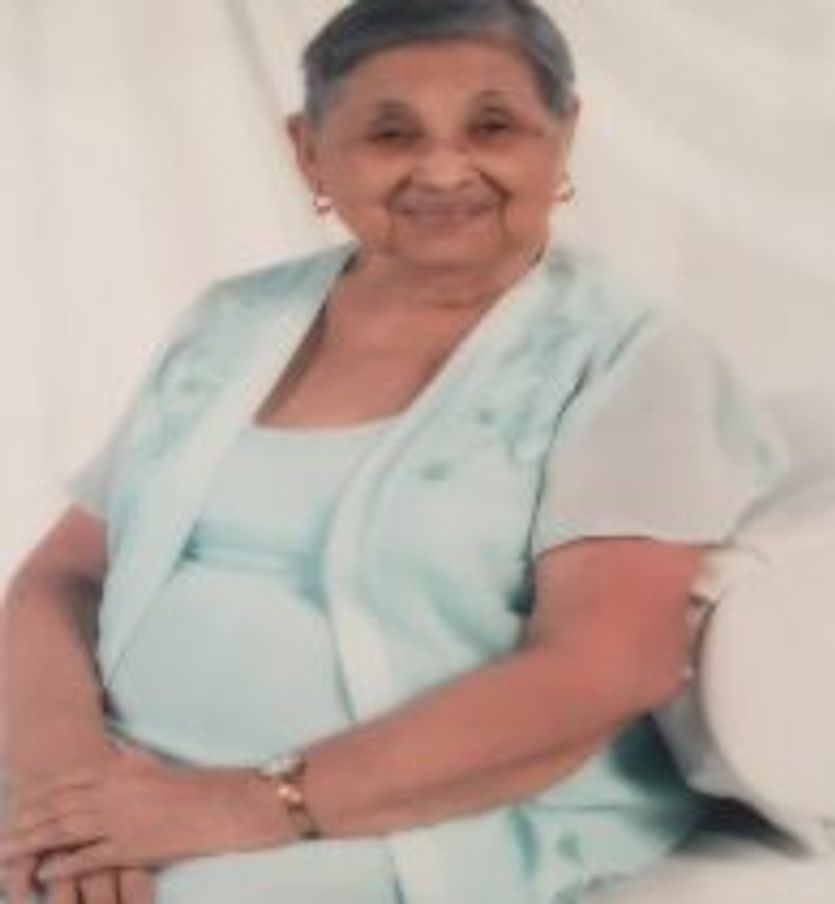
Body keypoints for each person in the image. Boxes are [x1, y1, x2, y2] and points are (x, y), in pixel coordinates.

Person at [0, 1, 786, 901]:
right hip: (122, 783)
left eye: (492, 126)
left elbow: (605, 665)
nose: (444, 168)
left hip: (404, 820)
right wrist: (64, 794)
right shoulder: (231, 321)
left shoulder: (630, 358)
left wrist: (234, 807)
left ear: (563, 136)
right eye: (389, 133)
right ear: (309, 152)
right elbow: (60, 578)